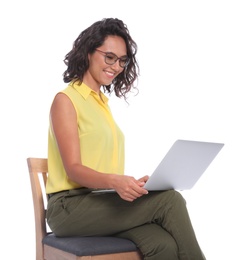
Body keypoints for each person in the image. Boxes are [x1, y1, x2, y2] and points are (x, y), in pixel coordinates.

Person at [46, 18, 206, 260]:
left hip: (102, 202)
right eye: (109, 57)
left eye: (122, 60)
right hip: (69, 208)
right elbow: (74, 170)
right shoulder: (66, 100)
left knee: (163, 245)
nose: (116, 66)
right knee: (170, 201)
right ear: (88, 52)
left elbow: (101, 165)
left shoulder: (100, 104)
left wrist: (130, 186)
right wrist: (115, 181)